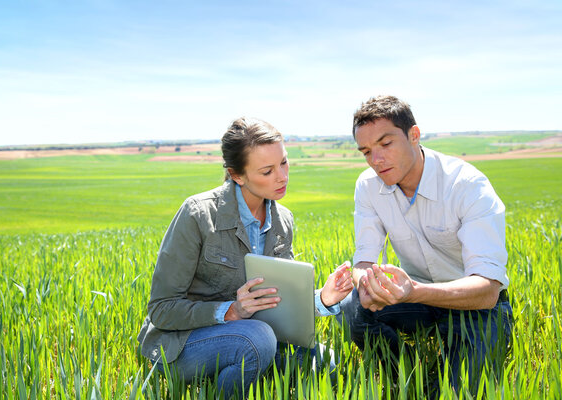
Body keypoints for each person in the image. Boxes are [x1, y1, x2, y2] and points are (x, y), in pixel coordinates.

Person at [137, 117, 353, 399]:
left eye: (284, 163)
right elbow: (162, 309)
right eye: (267, 171)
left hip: (251, 336)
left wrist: (323, 298)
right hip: (182, 344)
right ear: (237, 175)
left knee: (325, 360)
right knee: (257, 339)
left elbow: (277, 301)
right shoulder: (197, 214)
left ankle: (239, 373)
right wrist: (230, 311)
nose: (282, 176)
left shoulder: (283, 220)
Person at [340, 95, 513, 393]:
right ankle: (409, 373)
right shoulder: (368, 185)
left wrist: (414, 291)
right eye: (366, 151)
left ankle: (440, 380)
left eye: (385, 144)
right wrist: (368, 285)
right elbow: (363, 261)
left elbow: (487, 291)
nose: (376, 160)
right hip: (415, 299)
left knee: (458, 392)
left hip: (473, 305)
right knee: (352, 308)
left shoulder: (467, 185)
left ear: (414, 136)